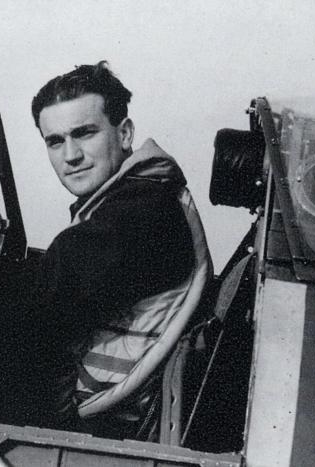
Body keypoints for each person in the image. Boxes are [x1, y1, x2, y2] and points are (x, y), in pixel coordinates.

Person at [28, 61, 210, 436]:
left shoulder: (145, 209)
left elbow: (58, 274)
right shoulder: (130, 201)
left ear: (124, 134)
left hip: (105, 426)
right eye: (55, 141)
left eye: (85, 133)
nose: (71, 155)